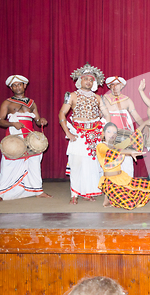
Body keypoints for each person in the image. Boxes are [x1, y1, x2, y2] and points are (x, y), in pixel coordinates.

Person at [0, 75, 51, 203]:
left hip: (29, 136)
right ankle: (1, 193)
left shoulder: (32, 103)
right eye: (14, 85)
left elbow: (37, 119)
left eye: (20, 84)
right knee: (9, 163)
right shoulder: (7, 103)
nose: (17, 87)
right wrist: (13, 124)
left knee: (34, 162)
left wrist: (42, 121)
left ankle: (37, 190)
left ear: (25, 86)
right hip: (15, 135)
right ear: (11, 87)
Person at [59, 63, 106, 204]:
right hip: (79, 135)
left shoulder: (98, 98)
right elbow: (61, 113)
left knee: (92, 166)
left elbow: (107, 114)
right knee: (77, 164)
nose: (88, 81)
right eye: (86, 79)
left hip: (95, 135)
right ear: (80, 80)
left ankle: (88, 192)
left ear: (94, 82)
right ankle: (74, 194)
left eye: (91, 79)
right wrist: (68, 132)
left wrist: (104, 131)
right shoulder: (71, 96)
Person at [96, 122, 150, 210]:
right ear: (103, 133)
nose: (112, 134)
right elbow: (111, 151)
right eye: (109, 131)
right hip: (109, 182)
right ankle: (110, 196)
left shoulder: (117, 146)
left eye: (114, 132)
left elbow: (131, 139)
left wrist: (144, 124)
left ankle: (112, 197)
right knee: (130, 205)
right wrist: (129, 152)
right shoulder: (101, 146)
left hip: (122, 178)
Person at [102, 76, 146, 177]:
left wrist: (145, 127)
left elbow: (135, 116)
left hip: (124, 134)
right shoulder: (105, 98)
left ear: (122, 86)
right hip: (110, 135)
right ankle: (111, 184)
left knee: (127, 158)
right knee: (111, 157)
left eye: (117, 85)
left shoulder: (127, 100)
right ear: (109, 87)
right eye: (112, 85)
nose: (115, 87)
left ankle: (127, 183)